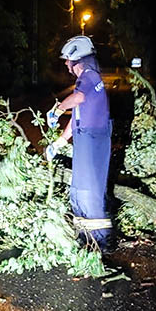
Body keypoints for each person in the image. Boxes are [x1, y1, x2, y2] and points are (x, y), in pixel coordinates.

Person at [45, 36, 113, 250]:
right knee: (80, 187)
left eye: (67, 60)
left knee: (88, 189)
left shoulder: (88, 77)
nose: (66, 64)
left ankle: (101, 240)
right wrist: (60, 142)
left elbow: (77, 101)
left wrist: (57, 109)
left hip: (92, 139)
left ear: (77, 59)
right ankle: (86, 235)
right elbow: (77, 117)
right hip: (88, 137)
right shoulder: (91, 80)